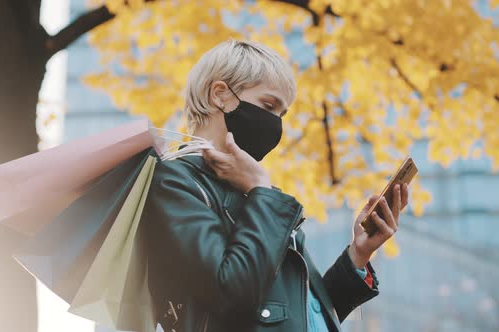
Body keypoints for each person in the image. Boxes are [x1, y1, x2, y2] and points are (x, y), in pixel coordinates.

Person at [142, 39, 409, 332]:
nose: (275, 125)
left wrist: (358, 255)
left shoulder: (258, 195)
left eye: (282, 114)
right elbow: (232, 293)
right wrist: (261, 189)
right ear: (220, 95)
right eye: (268, 105)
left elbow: (299, 311)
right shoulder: (177, 181)